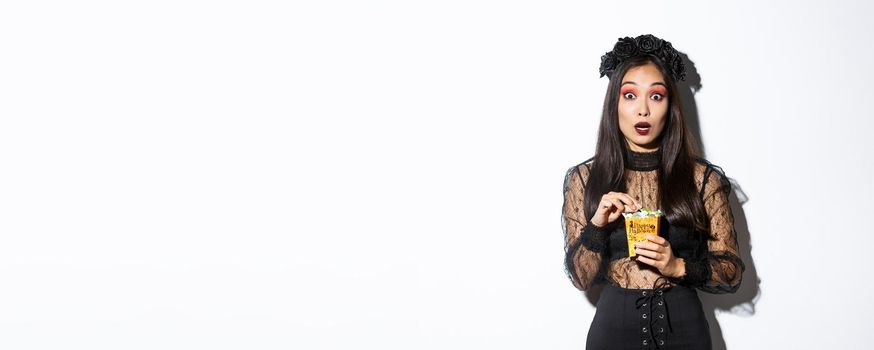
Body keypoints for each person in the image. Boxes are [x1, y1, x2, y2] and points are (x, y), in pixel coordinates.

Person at [561, 34, 745, 350]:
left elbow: (730, 270)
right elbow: (581, 278)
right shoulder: (585, 178)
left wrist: (678, 267)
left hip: (686, 333)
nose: (643, 110)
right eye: (630, 95)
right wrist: (598, 225)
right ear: (614, 104)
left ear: (671, 105)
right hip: (612, 334)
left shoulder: (702, 179)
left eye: (656, 96)